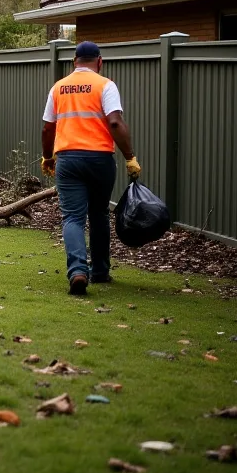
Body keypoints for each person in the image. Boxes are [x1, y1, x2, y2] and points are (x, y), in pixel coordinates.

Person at [40, 40, 141, 296]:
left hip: (68, 160)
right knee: (98, 214)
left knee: (72, 217)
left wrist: (47, 157)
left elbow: (47, 127)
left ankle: (77, 272)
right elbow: (115, 123)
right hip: (100, 160)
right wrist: (129, 156)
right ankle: (99, 271)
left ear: (74, 61)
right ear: (99, 61)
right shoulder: (106, 85)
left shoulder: (58, 88)